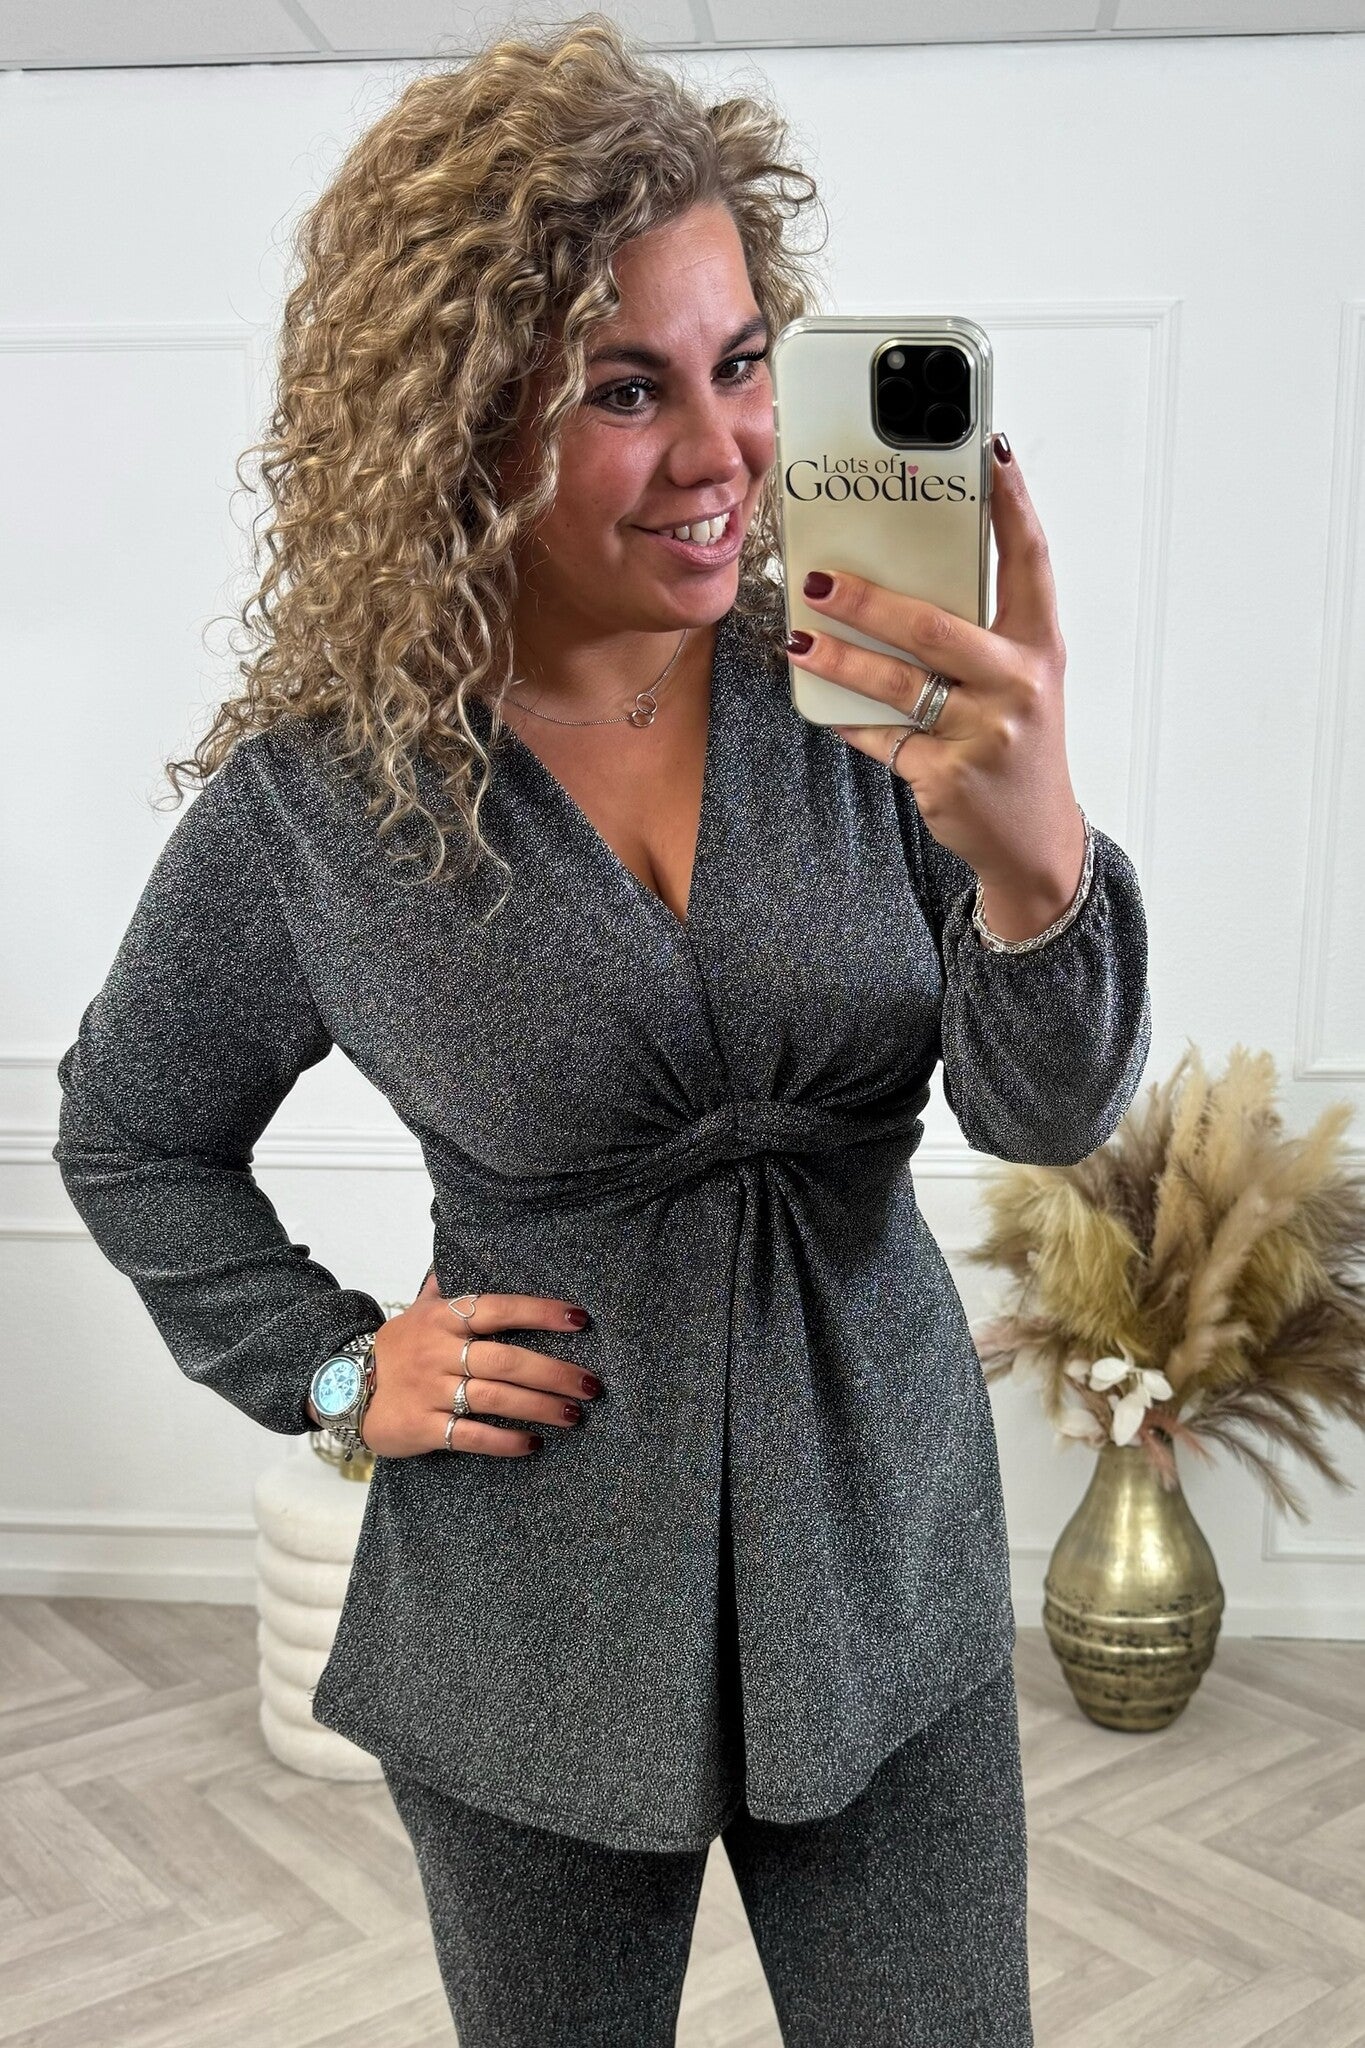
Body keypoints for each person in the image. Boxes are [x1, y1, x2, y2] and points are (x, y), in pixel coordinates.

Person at [52, 15, 1152, 2045]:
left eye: (740, 365)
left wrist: (1031, 853)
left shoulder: (864, 695)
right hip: (529, 1617)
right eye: (625, 390)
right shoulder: (326, 806)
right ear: (462, 422)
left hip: (878, 1564)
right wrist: (328, 1369)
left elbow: (1049, 1108)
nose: (721, 452)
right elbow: (130, 1130)